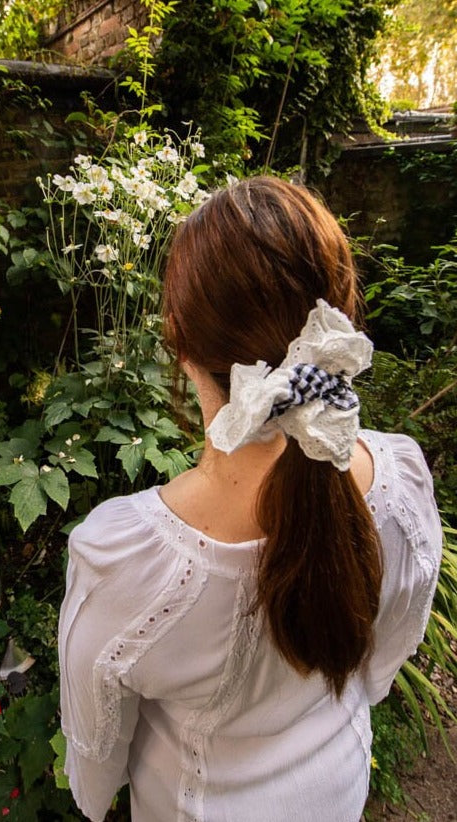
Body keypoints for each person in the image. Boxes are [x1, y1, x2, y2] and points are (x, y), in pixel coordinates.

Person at [58, 177, 442, 822]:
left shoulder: (125, 562)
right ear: (340, 319)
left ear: (180, 344)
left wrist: (95, 804)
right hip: (339, 785)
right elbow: (389, 647)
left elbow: (95, 760)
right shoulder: (401, 478)